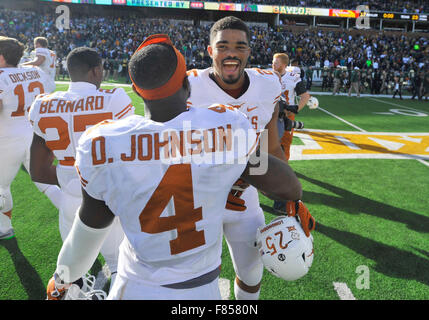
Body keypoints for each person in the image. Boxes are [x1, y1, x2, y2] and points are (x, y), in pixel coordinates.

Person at [46, 34, 313, 300]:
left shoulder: (104, 142)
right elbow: (287, 186)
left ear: (137, 90)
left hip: (134, 287)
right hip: (202, 290)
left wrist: (61, 280)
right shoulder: (228, 127)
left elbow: (87, 233)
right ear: (187, 85)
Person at [186, 16, 288, 300]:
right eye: (223, 46)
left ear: (249, 53)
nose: (231, 52)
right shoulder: (189, 86)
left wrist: (290, 196)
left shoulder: (267, 85)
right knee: (196, 280)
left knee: (252, 273)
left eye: (240, 46)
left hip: (246, 200)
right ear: (210, 52)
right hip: (198, 202)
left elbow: (271, 147)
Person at [29, 47, 134, 288]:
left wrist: (70, 180)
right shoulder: (114, 98)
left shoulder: (41, 105)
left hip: (69, 200)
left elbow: (38, 170)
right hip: (106, 200)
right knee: (120, 266)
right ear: (97, 71)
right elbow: (131, 155)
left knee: (70, 272)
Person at [0, 36, 62, 240]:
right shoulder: (35, 71)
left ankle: (4, 228)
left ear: (1, 58)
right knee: (46, 183)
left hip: (7, 139)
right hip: (35, 136)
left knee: (1, 186)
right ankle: (78, 218)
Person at [271, 52, 311, 212]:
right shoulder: (268, 75)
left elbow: (305, 96)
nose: (273, 64)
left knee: (283, 147)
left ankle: (282, 174)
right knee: (263, 147)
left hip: (286, 115)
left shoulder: (293, 77)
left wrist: (296, 108)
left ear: (283, 64)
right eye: (273, 62)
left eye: (276, 62)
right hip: (270, 115)